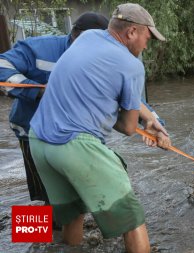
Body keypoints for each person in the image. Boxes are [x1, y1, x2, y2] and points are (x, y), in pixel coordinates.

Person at [29, 3, 169, 252]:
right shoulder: (27, 49)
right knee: (131, 215)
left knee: (69, 212)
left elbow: (105, 86)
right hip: (60, 139)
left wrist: (150, 116)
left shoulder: (88, 37)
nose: (148, 45)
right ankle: (26, 238)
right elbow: (126, 124)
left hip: (35, 136)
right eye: (147, 38)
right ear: (131, 32)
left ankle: (37, 244)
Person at [0, 12, 109, 204]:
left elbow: (128, 98)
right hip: (32, 133)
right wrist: (37, 91)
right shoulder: (38, 48)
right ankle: (33, 232)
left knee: (76, 197)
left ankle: (65, 230)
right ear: (75, 34)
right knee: (41, 197)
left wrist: (153, 122)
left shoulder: (105, 58)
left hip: (78, 137)